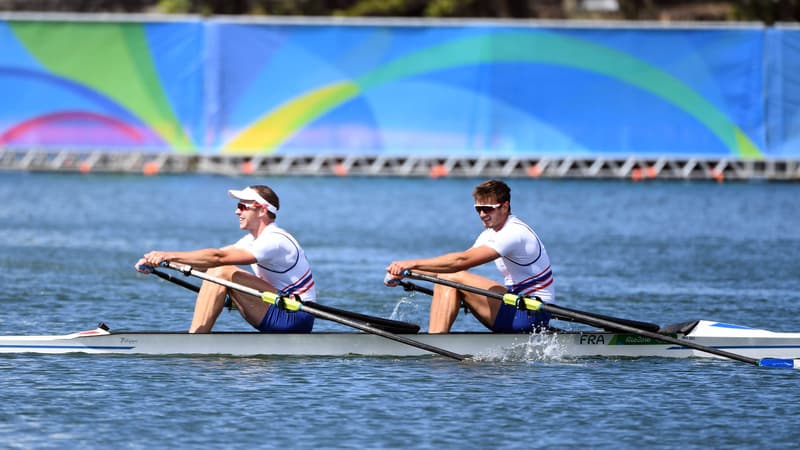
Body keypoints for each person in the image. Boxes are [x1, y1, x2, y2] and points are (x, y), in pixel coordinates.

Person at [135, 185, 316, 333]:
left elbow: (217, 258)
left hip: (293, 316)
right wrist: (160, 263)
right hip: (277, 308)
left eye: (243, 206)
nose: (237, 212)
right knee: (218, 270)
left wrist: (167, 255)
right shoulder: (252, 240)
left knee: (222, 271)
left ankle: (195, 339)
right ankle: (196, 336)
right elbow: (206, 264)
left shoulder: (275, 240)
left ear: (262, 210)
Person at [384, 179, 554, 333]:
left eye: (488, 209)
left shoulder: (514, 232)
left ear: (505, 206)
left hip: (532, 313)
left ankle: (436, 340)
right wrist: (405, 274)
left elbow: (459, 262)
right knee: (449, 278)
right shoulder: (490, 234)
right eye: (478, 209)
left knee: (451, 276)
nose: (482, 214)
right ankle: (436, 336)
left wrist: (410, 264)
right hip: (516, 305)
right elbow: (450, 268)